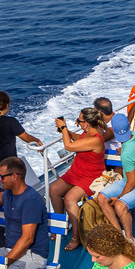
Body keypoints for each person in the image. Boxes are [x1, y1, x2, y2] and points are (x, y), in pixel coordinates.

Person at [49, 106, 108, 253]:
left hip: (91, 176)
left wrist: (63, 128)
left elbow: (69, 146)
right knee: (54, 190)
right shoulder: (86, 132)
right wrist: (66, 130)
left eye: (79, 121)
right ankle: (61, 225)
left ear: (87, 123)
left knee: (70, 198)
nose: (78, 123)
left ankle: (76, 236)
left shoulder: (96, 139)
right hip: (76, 172)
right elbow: (77, 139)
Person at [94, 113, 135, 237]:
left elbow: (132, 182)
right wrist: (127, 149)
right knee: (101, 197)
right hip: (130, 181)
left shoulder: (127, 155)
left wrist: (119, 197)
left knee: (120, 205)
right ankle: (118, 232)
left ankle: (129, 238)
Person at [0, 92, 41, 198]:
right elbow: (27, 138)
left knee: (1, 196)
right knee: (16, 194)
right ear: (7, 105)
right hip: (11, 167)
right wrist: (37, 141)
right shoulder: (11, 122)